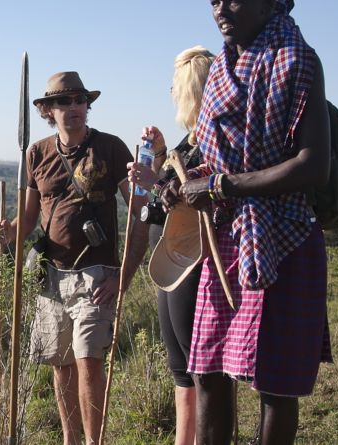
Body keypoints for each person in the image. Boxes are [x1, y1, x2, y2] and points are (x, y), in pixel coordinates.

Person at [132, 1, 333, 443]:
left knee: (275, 385)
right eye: (214, 0)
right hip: (226, 239)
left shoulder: (296, 60)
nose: (221, 8)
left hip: (284, 235)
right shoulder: (222, 70)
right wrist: (181, 187)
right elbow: (220, 159)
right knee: (206, 371)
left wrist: (222, 188)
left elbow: (314, 165)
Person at [0, 71, 148, 445]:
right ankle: (71, 440)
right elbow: (29, 218)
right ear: (49, 109)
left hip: (97, 274)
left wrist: (121, 279)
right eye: (65, 101)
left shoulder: (111, 148)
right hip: (52, 275)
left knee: (89, 362)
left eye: (80, 100)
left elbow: (140, 212)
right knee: (61, 365)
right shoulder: (37, 153)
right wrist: (9, 231)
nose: (75, 108)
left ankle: (94, 442)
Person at [129, 45, 215, 445]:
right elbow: (169, 198)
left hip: (195, 263)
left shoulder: (216, 139)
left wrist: (156, 181)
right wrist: (162, 156)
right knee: (181, 368)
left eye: (175, 88)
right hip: (175, 261)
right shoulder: (194, 138)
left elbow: (190, 195)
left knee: (198, 369)